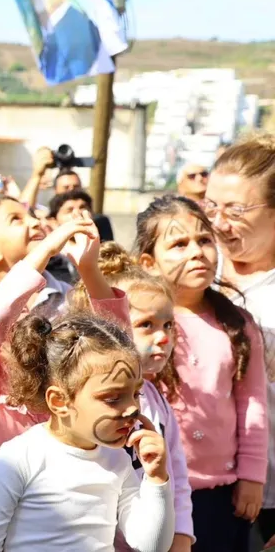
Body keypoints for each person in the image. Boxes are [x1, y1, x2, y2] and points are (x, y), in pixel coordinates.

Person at [0, 217, 122, 547]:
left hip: (53, 533)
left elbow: (115, 343)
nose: (21, 302)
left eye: (29, 296)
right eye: (4, 293)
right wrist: (47, 248)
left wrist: (89, 270)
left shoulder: (56, 372)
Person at [0, 313, 176, 551]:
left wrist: (157, 479)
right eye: (113, 398)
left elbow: (152, 546)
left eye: (136, 394)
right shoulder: (16, 461)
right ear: (59, 401)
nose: (132, 409)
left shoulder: (117, 460)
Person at [134, 196, 268, 552]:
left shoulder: (238, 324)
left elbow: (252, 403)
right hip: (158, 486)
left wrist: (252, 477)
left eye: (204, 240)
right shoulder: (142, 326)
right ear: (148, 263)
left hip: (222, 492)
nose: (197, 252)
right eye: (179, 244)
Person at [68, 242, 196, 551]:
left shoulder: (155, 397)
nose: (163, 336)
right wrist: (88, 268)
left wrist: (181, 533)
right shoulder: (87, 402)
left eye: (168, 324)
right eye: (146, 325)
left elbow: (175, 473)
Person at [206, 137, 275, 542]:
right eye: (211, 206)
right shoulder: (193, 264)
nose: (217, 222)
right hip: (195, 483)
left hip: (267, 490)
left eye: (236, 210)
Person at [0, 196, 75, 318]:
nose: (36, 222)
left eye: (33, 216)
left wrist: (87, 265)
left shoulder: (67, 295)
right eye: (16, 219)